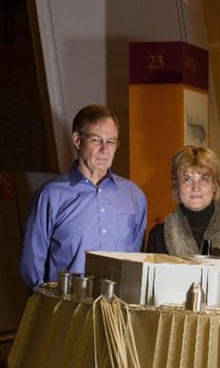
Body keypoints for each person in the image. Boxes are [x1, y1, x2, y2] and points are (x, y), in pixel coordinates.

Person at [20, 104, 147, 290]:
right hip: (68, 310)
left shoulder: (134, 196)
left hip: (118, 311)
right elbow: (32, 266)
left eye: (111, 142)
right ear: (77, 140)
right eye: (96, 140)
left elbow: (136, 259)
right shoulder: (51, 196)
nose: (105, 149)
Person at [146, 145, 220, 292]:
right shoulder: (158, 237)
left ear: (214, 185)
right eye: (187, 179)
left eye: (204, 178)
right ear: (176, 186)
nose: (196, 187)